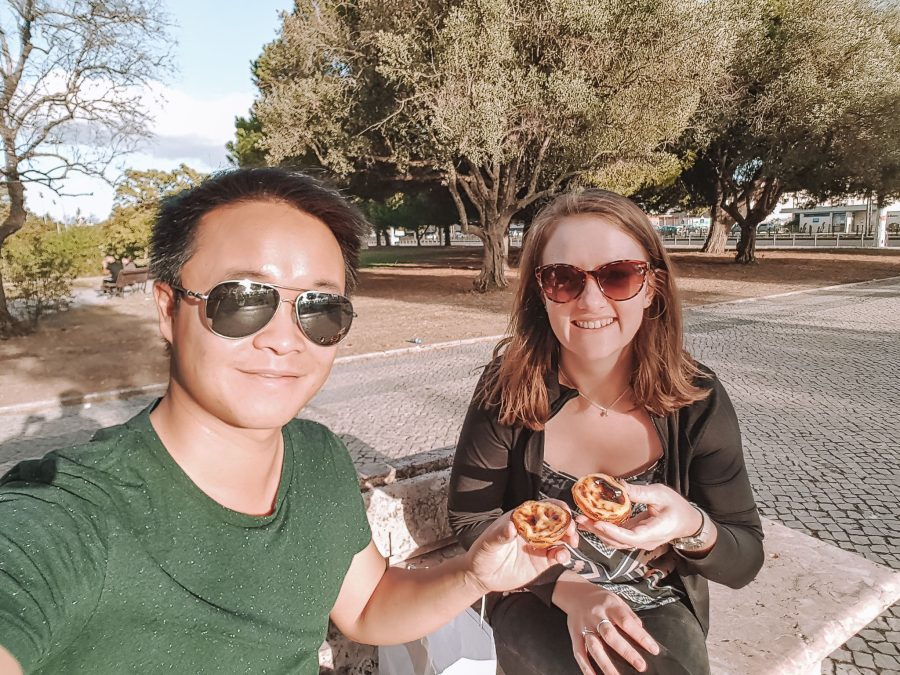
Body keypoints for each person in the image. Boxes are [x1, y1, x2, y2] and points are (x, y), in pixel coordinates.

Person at [0, 168, 576, 674]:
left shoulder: (316, 456)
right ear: (168, 309)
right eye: (243, 298)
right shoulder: (68, 515)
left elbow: (368, 604)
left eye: (319, 309)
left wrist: (476, 575)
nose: (284, 339)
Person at [447, 189, 764, 675]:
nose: (591, 299)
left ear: (652, 285)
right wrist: (572, 589)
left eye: (618, 275)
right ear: (540, 293)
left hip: (653, 592)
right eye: (563, 278)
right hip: (534, 587)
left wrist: (689, 524)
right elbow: (471, 519)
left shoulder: (697, 400)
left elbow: (743, 560)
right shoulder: (506, 390)